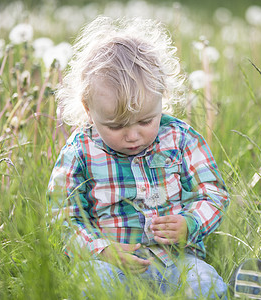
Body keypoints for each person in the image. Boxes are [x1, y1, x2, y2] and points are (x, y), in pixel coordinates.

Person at [47, 16, 229, 298]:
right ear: (88, 108)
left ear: (162, 96)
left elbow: (213, 193)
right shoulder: (80, 151)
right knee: (90, 286)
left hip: (176, 261)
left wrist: (190, 224)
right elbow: (62, 218)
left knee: (205, 285)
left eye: (145, 121)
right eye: (116, 126)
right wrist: (102, 249)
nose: (132, 136)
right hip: (110, 266)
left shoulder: (180, 139)